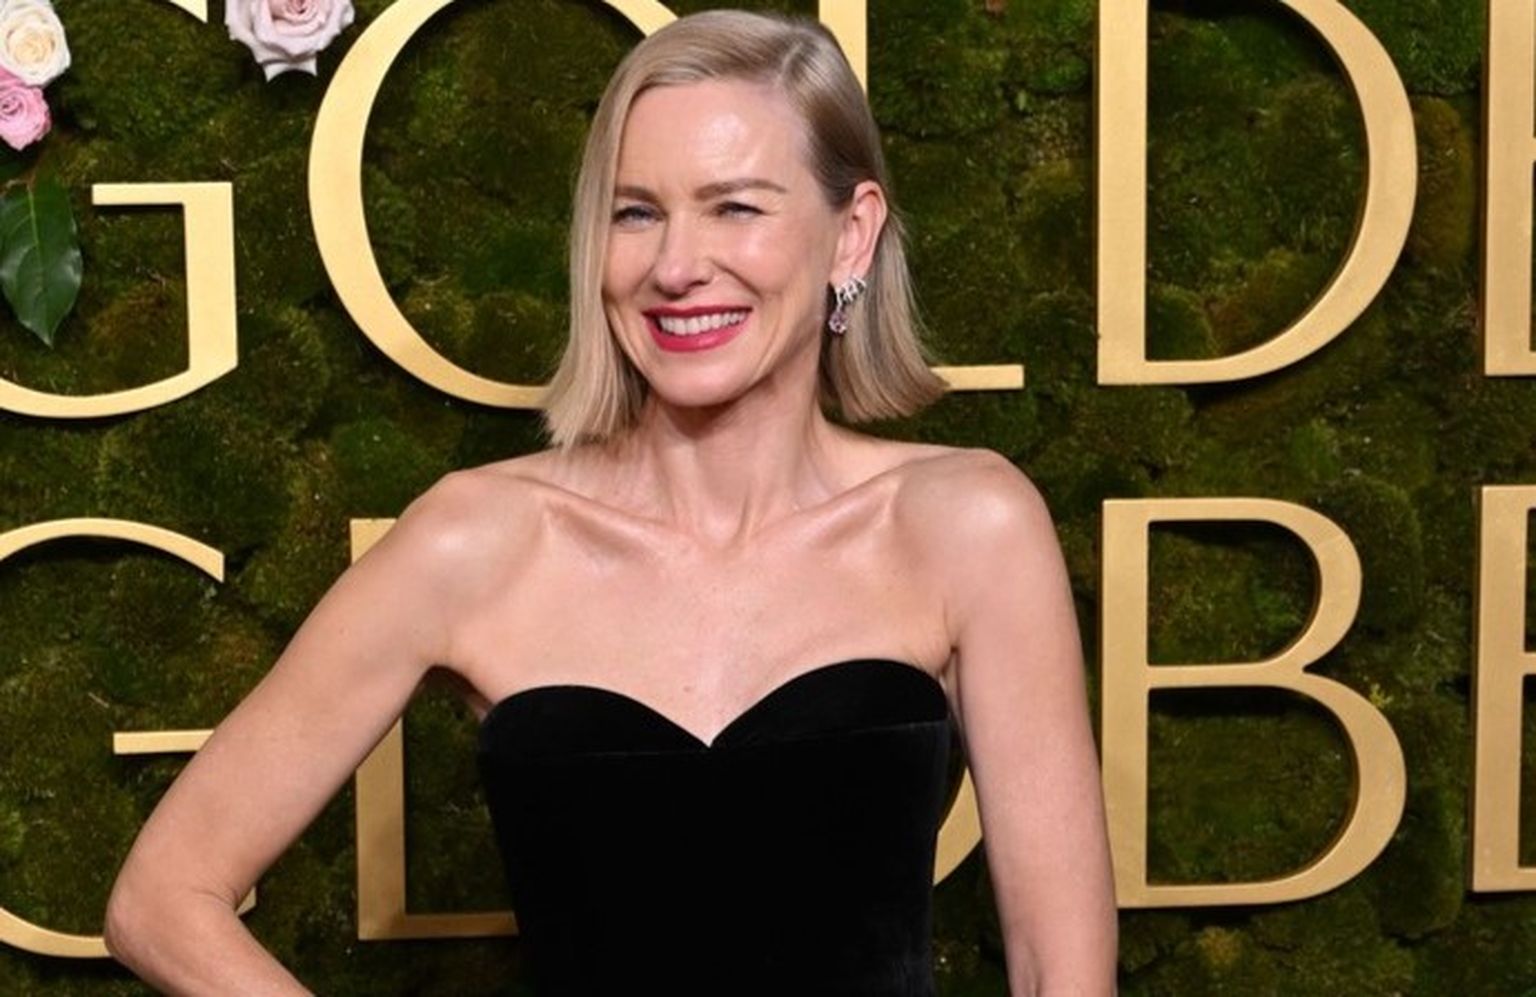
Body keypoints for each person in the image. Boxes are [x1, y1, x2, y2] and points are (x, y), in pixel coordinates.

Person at [104, 9, 1116, 995]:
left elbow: (1059, 968)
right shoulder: (476, 539)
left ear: (851, 236)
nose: (675, 267)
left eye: (736, 207)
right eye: (636, 213)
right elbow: (162, 899)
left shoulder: (968, 526)